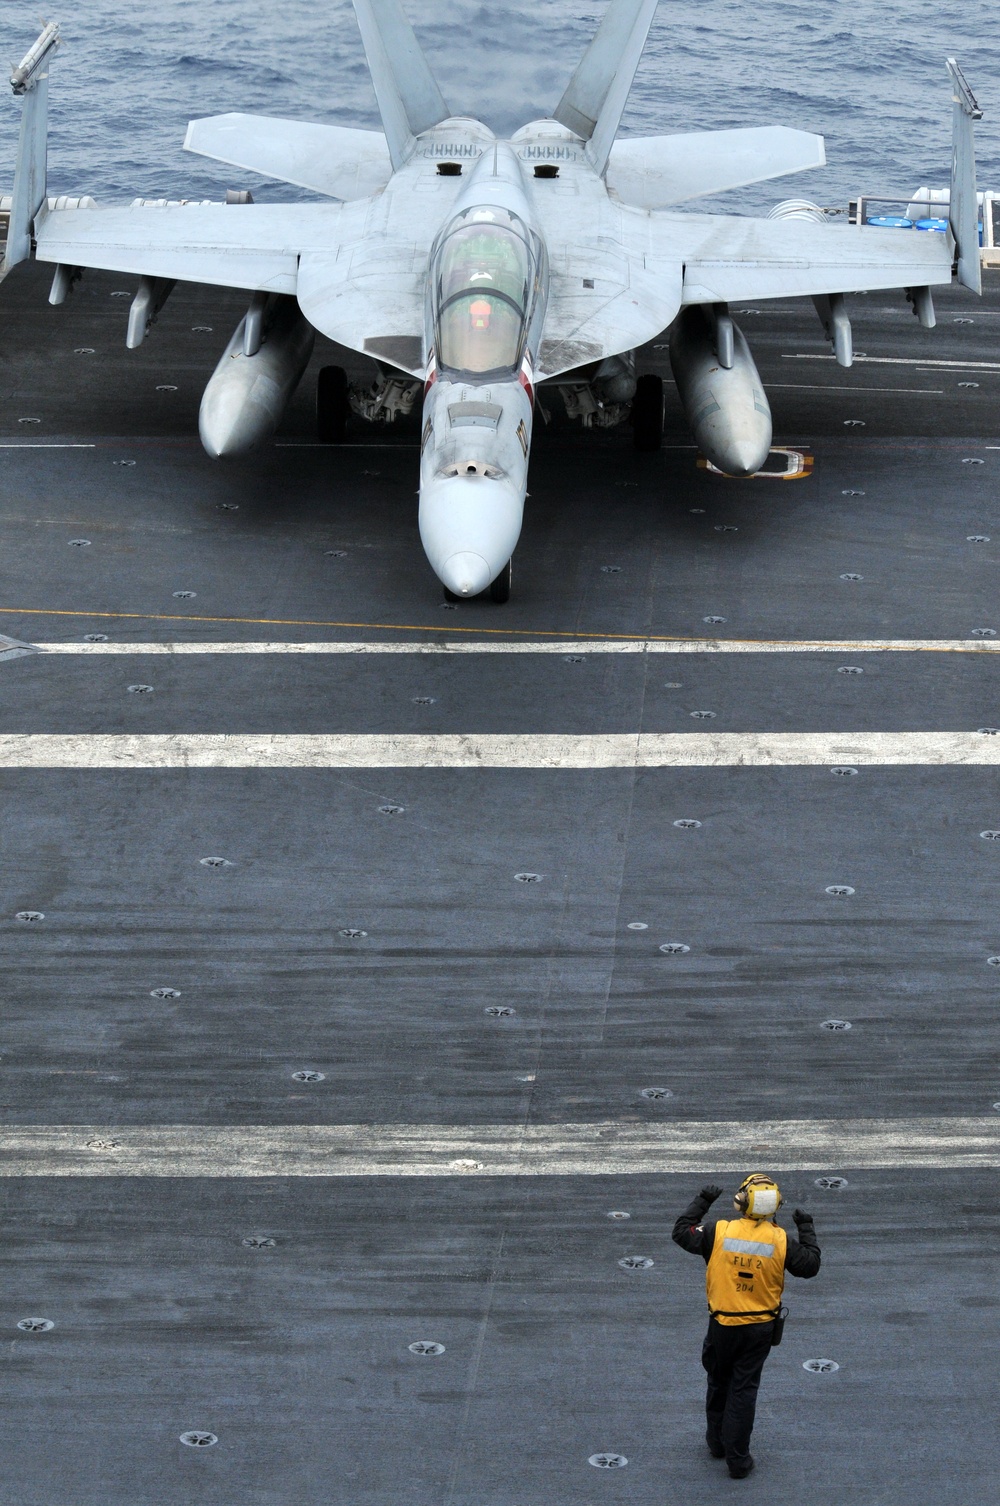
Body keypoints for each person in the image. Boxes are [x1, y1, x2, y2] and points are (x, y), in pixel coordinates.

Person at [672, 1174, 821, 1479]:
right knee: (743, 1389)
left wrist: (703, 1200)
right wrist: (806, 1228)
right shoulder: (779, 1239)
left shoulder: (718, 1231)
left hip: (722, 1325)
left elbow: (681, 1232)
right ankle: (738, 1461)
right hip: (759, 1329)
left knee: (718, 1380)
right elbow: (810, 1266)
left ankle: (716, 1444)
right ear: (775, 1206)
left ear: (740, 1202)